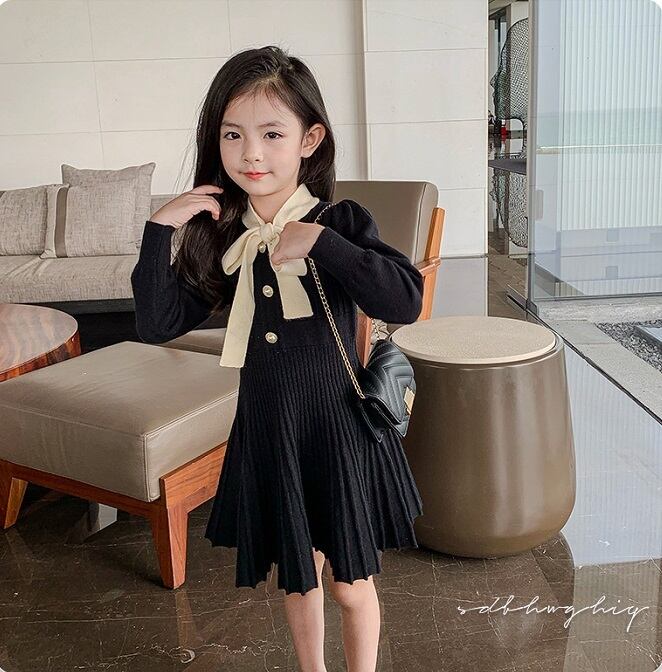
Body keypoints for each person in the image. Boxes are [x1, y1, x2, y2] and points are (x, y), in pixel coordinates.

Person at [131, 45, 424, 672]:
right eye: (233, 135)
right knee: (298, 577)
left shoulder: (338, 221)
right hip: (270, 428)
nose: (251, 154)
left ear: (309, 139)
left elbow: (405, 299)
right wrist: (159, 232)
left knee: (350, 584)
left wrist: (323, 244)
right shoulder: (225, 237)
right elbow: (157, 323)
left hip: (336, 427)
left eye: (271, 134)